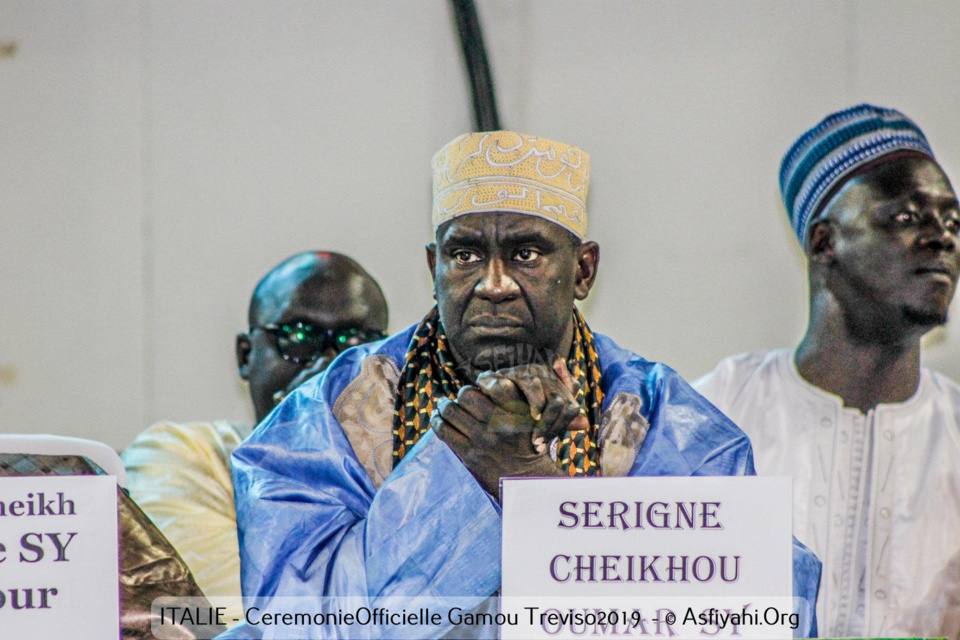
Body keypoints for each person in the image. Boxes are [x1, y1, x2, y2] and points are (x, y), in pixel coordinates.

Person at [226, 131, 820, 639]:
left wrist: (539, 495)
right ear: (433, 267)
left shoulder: (659, 417)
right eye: (464, 255)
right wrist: (461, 471)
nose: (493, 284)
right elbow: (292, 617)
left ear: (583, 269)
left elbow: (764, 612)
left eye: (526, 252)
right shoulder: (340, 408)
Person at [695, 104, 960, 638]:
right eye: (906, 218)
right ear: (824, 242)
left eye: (953, 222)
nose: (942, 238)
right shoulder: (716, 413)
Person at [121, 251, 389, 625]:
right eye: (298, 337)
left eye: (354, 342)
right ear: (246, 356)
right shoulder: (185, 455)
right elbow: (230, 621)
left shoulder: (411, 471)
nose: (328, 367)